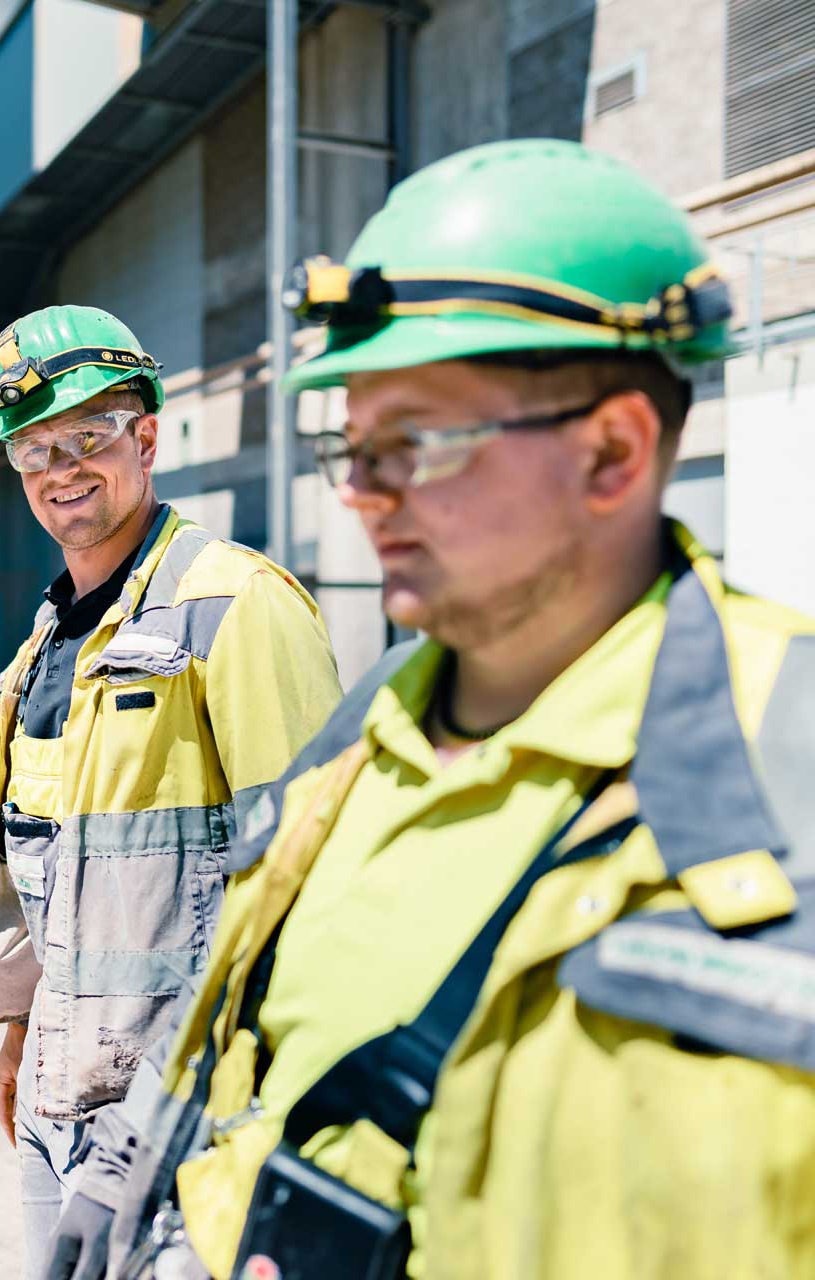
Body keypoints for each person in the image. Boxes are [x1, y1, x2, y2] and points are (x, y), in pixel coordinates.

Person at [50, 138, 815, 1280]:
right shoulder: (352, 746)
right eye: (350, 445)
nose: (362, 493)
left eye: (417, 442)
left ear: (613, 451)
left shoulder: (780, 775)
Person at [0, 305, 342, 1279]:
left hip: (180, 1118)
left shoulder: (234, 607)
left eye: (89, 434)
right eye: (34, 448)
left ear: (147, 435)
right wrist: (20, 1034)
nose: (62, 467)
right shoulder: (46, 642)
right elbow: (40, 869)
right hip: (54, 1101)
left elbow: (306, 884)